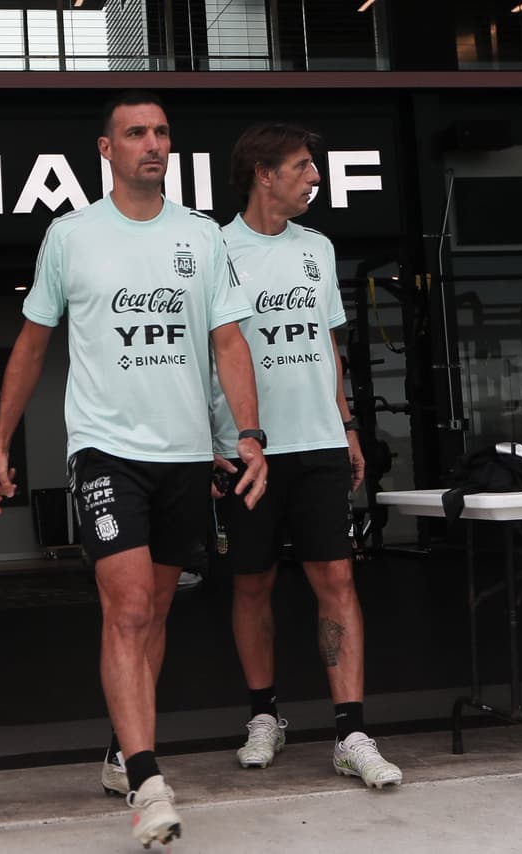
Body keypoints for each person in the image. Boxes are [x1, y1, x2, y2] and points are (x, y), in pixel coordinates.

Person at [0, 91, 267, 848]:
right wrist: (1, 441)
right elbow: (33, 344)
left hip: (182, 454)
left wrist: (249, 434)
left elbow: (230, 343)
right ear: (105, 150)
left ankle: (119, 747)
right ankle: (146, 781)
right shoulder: (72, 236)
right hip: (105, 448)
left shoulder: (201, 238)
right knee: (129, 605)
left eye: (162, 131)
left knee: (158, 613)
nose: (152, 143)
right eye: (135, 132)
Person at [209, 123, 402, 788]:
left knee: (337, 584)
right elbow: (205, 355)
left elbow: (329, 348)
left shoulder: (317, 248)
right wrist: (215, 443)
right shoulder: (216, 249)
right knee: (252, 583)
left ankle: (350, 730)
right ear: (264, 174)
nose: (314, 178)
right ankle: (264, 715)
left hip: (319, 443)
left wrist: (348, 426)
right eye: (302, 168)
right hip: (248, 453)